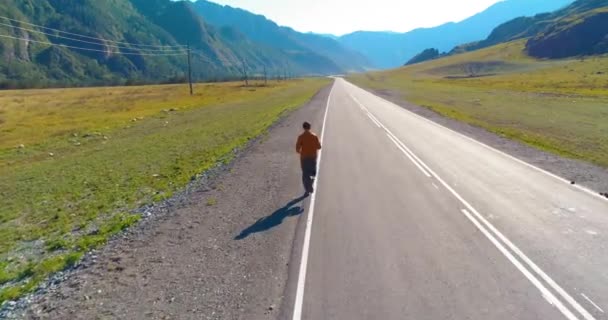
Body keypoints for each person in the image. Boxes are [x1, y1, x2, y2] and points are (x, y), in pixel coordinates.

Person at [296, 122, 321, 195]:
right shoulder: (314, 136)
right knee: (313, 173)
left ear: (303, 128)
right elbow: (319, 147)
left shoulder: (301, 137)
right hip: (313, 157)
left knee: (305, 174)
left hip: (304, 158)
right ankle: (311, 184)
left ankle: (307, 189)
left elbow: (297, 149)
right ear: (310, 127)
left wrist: (302, 152)